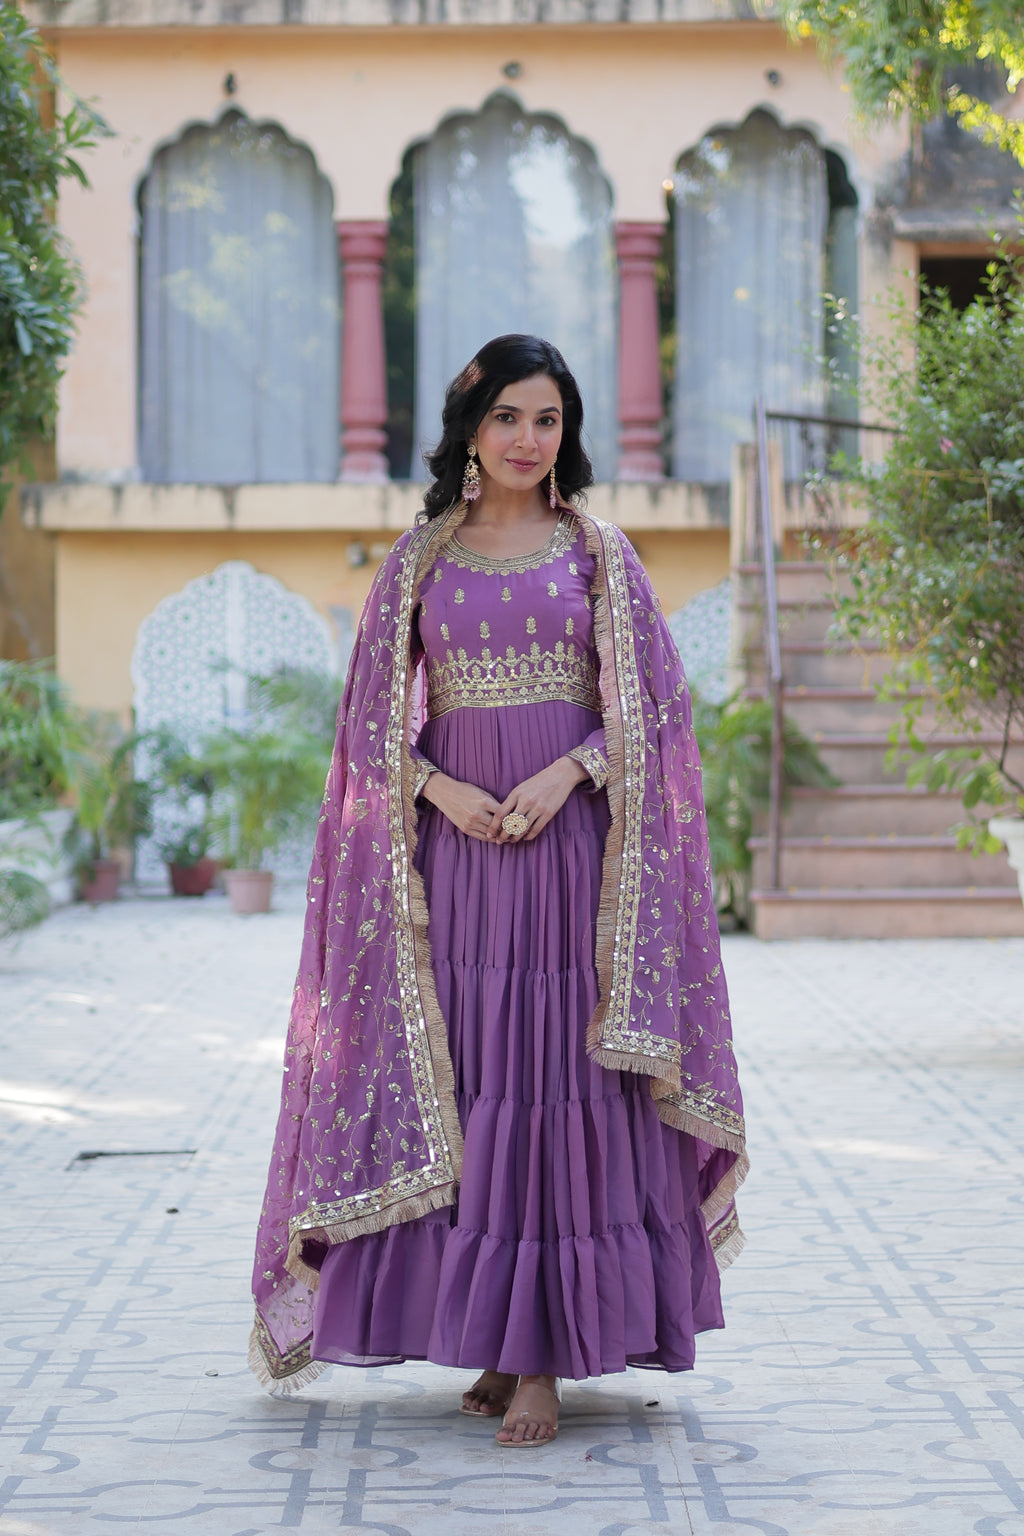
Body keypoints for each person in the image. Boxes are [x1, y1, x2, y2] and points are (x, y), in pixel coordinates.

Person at [249, 334, 747, 1448]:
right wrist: (437, 790)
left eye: (549, 420)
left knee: (557, 1080)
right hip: (460, 870)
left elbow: (655, 713)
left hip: (571, 862)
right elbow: (368, 726)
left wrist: (569, 769)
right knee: (476, 1083)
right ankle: (490, 1332)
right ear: (470, 429)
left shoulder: (598, 554)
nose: (530, 440)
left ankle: (541, 1361)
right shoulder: (419, 561)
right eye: (510, 418)